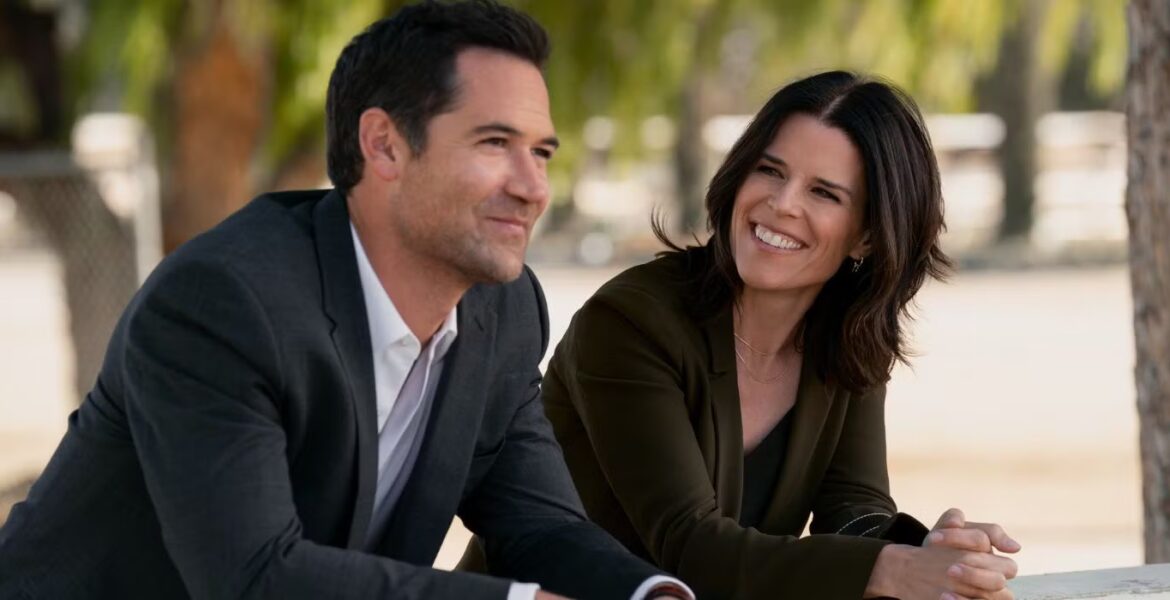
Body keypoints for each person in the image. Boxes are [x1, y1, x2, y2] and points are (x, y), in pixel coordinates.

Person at [0, 2, 694, 599]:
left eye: (541, 153)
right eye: (495, 143)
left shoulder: (503, 311)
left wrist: (649, 592)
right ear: (384, 145)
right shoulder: (225, 302)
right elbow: (254, 577)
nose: (533, 186)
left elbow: (539, 526)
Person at [465, 71, 1021, 600]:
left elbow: (853, 510)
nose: (782, 204)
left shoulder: (848, 335)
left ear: (868, 237)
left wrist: (932, 554)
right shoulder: (631, 322)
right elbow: (688, 546)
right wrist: (891, 568)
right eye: (771, 171)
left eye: (824, 193)